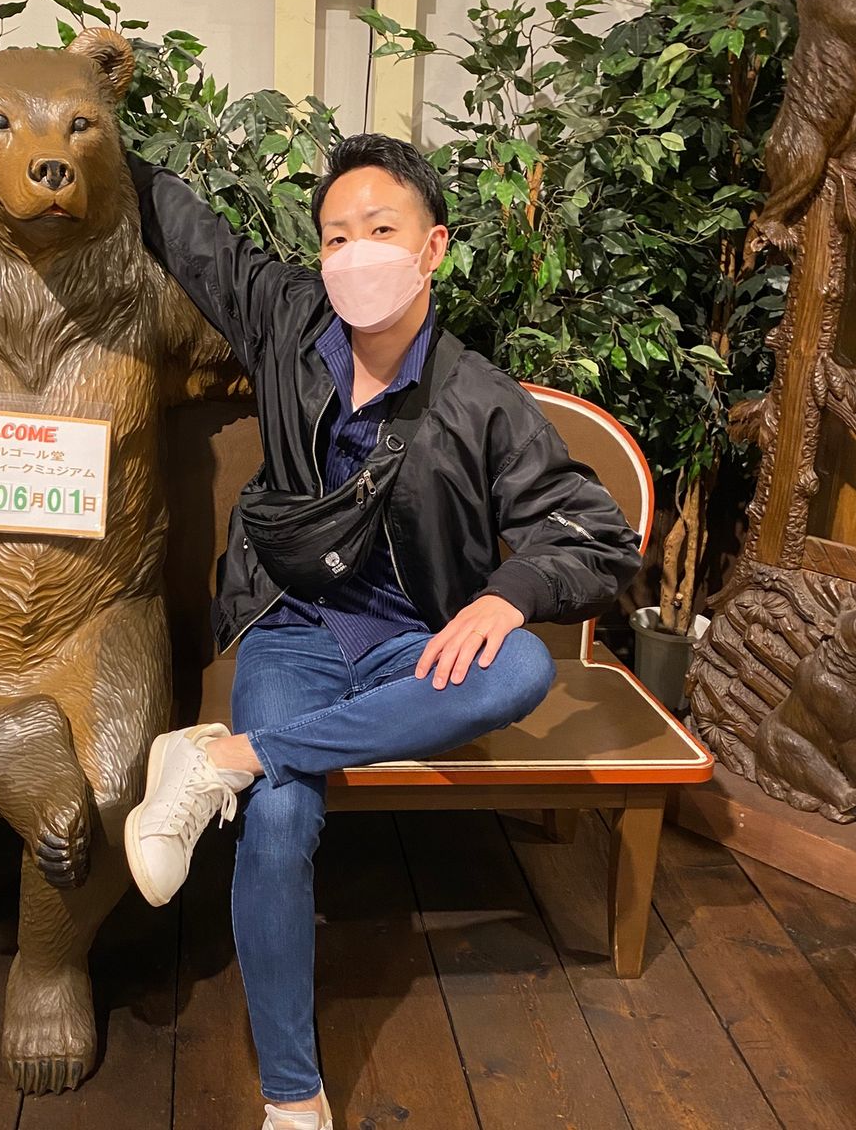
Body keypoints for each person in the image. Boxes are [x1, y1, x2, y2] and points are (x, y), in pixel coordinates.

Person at [123, 133, 642, 1130]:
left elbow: (593, 531)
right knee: (278, 820)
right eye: (335, 236)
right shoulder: (285, 320)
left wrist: (507, 593)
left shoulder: (479, 397)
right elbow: (193, 239)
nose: (355, 253)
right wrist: (103, 138)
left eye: (380, 229)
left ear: (432, 247)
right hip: (292, 629)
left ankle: (224, 756)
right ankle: (292, 1096)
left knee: (519, 670)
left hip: (418, 643)